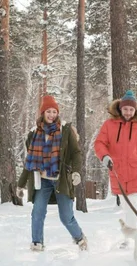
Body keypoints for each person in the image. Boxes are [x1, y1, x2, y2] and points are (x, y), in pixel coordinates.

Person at [17, 95, 88, 252]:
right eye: (48, 111)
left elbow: (76, 153)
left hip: (61, 179)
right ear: (43, 113)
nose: (51, 115)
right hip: (42, 181)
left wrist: (76, 172)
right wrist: (20, 185)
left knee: (66, 217)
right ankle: (37, 243)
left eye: (54, 112)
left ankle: (80, 238)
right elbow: (30, 160)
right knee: (37, 213)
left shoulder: (66, 131)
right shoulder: (34, 134)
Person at [93, 90, 137, 208]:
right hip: (118, 172)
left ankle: (134, 226)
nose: (128, 112)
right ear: (120, 109)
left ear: (135, 110)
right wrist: (104, 156)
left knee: (131, 206)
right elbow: (99, 143)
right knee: (127, 208)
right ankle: (135, 226)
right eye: (125, 109)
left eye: (131, 109)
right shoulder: (109, 124)